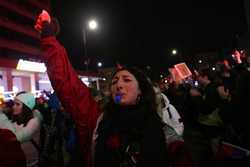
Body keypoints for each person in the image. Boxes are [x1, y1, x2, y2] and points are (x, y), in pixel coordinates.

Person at [34, 10, 193, 167]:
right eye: (115, 81)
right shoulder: (96, 118)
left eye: (127, 80)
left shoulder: (165, 135)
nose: (119, 85)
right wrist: (49, 38)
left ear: (140, 91)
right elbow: (67, 83)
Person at [0, 92, 43, 167]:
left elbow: (15, 137)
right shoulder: (15, 120)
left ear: (26, 106)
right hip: (16, 161)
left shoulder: (34, 122)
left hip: (29, 163)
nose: (13, 107)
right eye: (14, 104)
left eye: (17, 104)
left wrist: (1, 117)